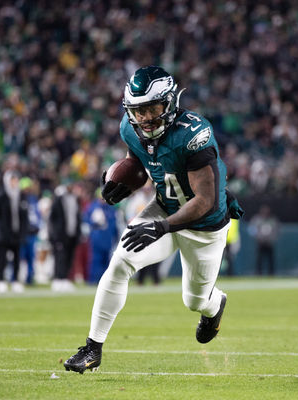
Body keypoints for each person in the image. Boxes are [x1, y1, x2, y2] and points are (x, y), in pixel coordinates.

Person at [64, 66, 243, 373]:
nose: (145, 117)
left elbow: (205, 200)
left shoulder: (193, 134)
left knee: (194, 300)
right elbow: (139, 160)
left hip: (204, 225)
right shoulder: (129, 128)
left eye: (152, 108)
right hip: (164, 207)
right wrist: (119, 178)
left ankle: (215, 305)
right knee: (120, 263)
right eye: (138, 110)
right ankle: (92, 349)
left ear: (169, 102)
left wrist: (162, 227)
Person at [0, 170, 28, 293]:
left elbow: (24, 216)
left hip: (16, 232)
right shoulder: (1, 195)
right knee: (2, 258)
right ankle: (1, 280)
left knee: (17, 258)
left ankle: (15, 281)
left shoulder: (21, 196)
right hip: (4, 233)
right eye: (12, 180)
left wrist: (24, 231)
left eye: (16, 180)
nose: (14, 183)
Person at [249, 205, 279, 276]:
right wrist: (258, 237)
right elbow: (252, 229)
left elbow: (276, 230)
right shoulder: (257, 219)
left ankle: (271, 274)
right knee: (259, 259)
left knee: (270, 259)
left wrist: (272, 238)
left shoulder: (272, 220)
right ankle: (258, 273)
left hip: (269, 243)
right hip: (260, 242)